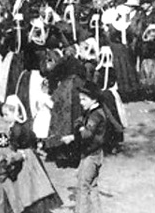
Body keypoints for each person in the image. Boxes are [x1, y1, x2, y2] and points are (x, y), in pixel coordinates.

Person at [61, 81, 107, 213]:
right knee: (92, 186)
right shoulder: (93, 111)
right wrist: (74, 135)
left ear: (93, 99)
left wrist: (80, 128)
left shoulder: (95, 115)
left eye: (83, 99)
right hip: (96, 154)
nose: (81, 102)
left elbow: (86, 133)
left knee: (82, 188)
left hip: (90, 156)